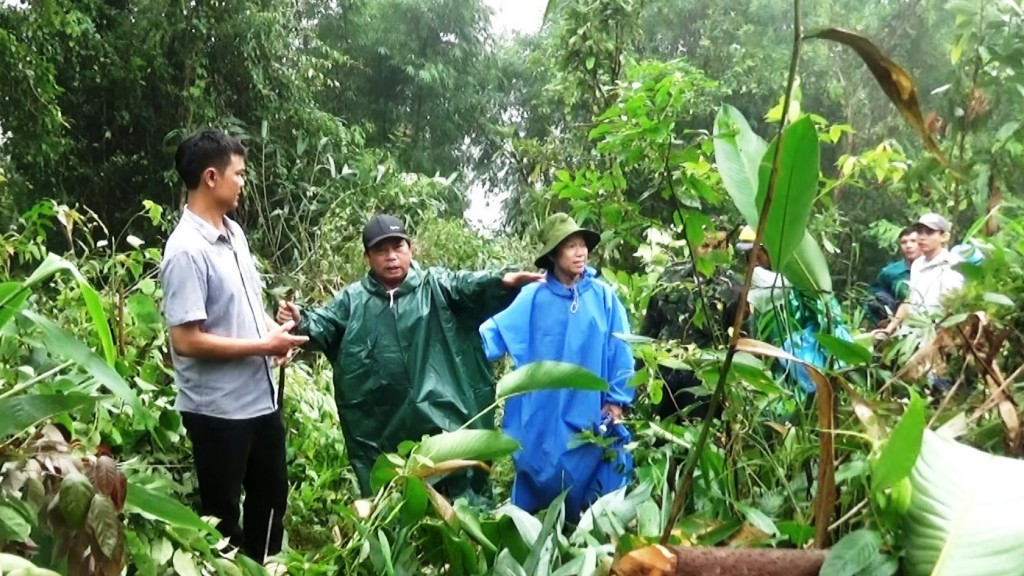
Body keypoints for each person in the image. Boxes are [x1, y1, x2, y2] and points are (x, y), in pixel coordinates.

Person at [276, 214, 541, 499]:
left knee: (460, 501)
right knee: (396, 501)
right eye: (381, 250)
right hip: (383, 427)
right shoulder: (353, 301)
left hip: (445, 423)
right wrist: (300, 318)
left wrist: (503, 281)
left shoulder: (437, 286)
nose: (391, 257)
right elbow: (323, 324)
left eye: (397, 247)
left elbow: (470, 286)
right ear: (367, 257)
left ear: (410, 249)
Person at [159, 130, 308, 562]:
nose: (244, 182)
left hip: (259, 400)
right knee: (222, 516)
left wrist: (273, 334)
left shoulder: (234, 234)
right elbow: (185, 341)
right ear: (211, 177)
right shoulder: (185, 251)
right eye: (238, 173)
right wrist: (263, 345)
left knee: (272, 496)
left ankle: (262, 568)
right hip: (218, 412)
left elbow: (245, 307)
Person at [479, 213, 635, 523]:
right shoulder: (532, 298)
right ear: (553, 255)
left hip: (590, 407)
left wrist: (617, 400)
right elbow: (490, 337)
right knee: (540, 472)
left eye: (583, 246)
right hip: (543, 412)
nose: (580, 253)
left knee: (599, 472)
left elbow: (621, 349)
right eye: (570, 247)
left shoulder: (603, 296)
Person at [639, 228, 742, 420]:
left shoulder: (733, 288)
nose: (710, 252)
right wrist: (639, 369)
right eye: (705, 246)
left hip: (705, 385)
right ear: (693, 245)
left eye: (718, 246)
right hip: (665, 379)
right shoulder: (671, 276)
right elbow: (650, 326)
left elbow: (743, 343)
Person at [884, 213, 965, 334]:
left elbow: (952, 310)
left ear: (944, 236)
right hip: (911, 334)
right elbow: (909, 301)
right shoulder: (917, 264)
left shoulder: (953, 265)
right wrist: (889, 329)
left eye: (929, 232)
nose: (922, 237)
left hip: (935, 335)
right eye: (920, 232)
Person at [866, 226, 920, 326]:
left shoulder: (937, 269)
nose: (908, 245)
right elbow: (872, 300)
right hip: (897, 327)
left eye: (913, 241)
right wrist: (881, 322)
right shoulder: (890, 272)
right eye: (904, 242)